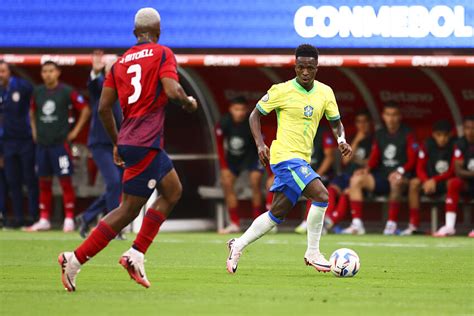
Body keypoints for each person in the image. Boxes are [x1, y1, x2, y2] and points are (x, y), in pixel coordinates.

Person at [58, 8, 198, 292]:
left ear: (135, 33)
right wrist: (189, 103)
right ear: (158, 31)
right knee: (127, 210)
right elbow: (172, 91)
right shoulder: (162, 53)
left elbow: (103, 108)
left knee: (172, 190)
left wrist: (116, 142)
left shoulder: (119, 64)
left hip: (134, 141)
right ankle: (74, 259)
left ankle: (135, 254)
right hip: (146, 142)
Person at [225, 44, 352, 274]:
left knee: (276, 214)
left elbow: (335, 122)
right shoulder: (280, 90)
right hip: (284, 157)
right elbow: (255, 114)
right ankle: (313, 252)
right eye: (301, 67)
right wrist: (260, 144)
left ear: (317, 68)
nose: (305, 72)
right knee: (322, 195)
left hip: (302, 159)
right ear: (295, 66)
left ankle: (238, 244)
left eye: (310, 68)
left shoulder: (325, 93)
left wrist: (341, 139)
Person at [26, 61, 91, 232]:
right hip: (42, 145)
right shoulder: (38, 92)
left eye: (51, 71)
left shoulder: (67, 91)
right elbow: (32, 112)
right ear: (41, 74)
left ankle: (69, 218)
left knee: (65, 181)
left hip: (60, 145)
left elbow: (85, 110)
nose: (47, 74)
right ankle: (44, 219)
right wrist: (34, 131)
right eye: (44, 71)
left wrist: (75, 132)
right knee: (43, 181)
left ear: (58, 72)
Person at [343, 103, 417, 235]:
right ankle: (357, 224)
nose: (391, 118)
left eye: (394, 115)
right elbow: (375, 156)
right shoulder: (380, 133)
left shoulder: (407, 133)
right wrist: (366, 169)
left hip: (402, 177)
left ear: (399, 116)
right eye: (388, 115)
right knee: (356, 180)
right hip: (382, 176)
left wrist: (399, 171)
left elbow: (412, 160)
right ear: (383, 116)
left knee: (396, 181)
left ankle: (391, 224)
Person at [76, 51, 123, 238]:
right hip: (101, 144)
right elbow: (94, 87)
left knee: (118, 185)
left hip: (119, 145)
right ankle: (114, 228)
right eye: (110, 67)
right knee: (113, 182)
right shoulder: (101, 86)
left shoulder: (125, 87)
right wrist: (95, 73)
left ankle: (86, 218)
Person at [215, 96, 265, 234]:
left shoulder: (252, 121)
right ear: (231, 109)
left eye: (242, 109)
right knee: (227, 183)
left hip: (252, 156)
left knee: (255, 182)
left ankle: (258, 224)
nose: (240, 113)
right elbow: (219, 145)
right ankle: (234, 223)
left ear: (246, 110)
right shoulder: (224, 122)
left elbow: (260, 140)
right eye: (236, 109)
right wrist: (224, 167)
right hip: (234, 159)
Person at [0, 61, 38, 228]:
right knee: (12, 181)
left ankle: (35, 216)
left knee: (30, 179)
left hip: (25, 141)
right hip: (8, 142)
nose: (0, 75)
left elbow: (36, 98)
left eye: (2, 71)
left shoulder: (22, 86)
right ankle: (18, 217)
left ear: (9, 72)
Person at [402, 120, 455, 235]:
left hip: (444, 181)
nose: (442, 139)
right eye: (439, 135)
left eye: (445, 135)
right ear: (433, 134)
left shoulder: (454, 145)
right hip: (427, 182)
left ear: (450, 135)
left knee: (453, 182)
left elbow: (452, 170)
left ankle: (449, 226)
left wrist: (434, 180)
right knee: (414, 183)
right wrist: (426, 181)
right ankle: (413, 224)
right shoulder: (427, 144)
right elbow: (419, 168)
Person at [326, 110, 373, 233]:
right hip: (346, 175)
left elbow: (371, 162)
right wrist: (357, 140)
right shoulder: (352, 138)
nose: (362, 125)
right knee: (332, 188)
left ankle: (332, 220)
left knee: (348, 192)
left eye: (365, 122)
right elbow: (345, 161)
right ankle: (327, 217)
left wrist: (362, 163)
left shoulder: (374, 139)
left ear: (369, 123)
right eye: (359, 122)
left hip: (361, 177)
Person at [434, 116, 474, 237]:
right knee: (453, 182)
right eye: (467, 128)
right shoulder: (460, 143)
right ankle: (449, 226)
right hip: (468, 182)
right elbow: (458, 170)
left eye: (473, 128)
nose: (470, 131)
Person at [294, 123, 337, 234]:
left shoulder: (323, 133)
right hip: (301, 171)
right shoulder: (297, 131)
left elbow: (329, 156)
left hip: (322, 174)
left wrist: (316, 174)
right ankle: (273, 221)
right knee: (274, 182)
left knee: (313, 185)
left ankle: (308, 221)